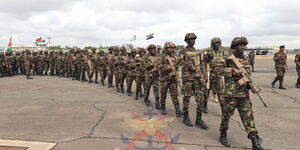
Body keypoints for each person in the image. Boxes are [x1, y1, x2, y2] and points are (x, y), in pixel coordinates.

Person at [216, 37, 264, 149]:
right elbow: (216, 70)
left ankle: (255, 142)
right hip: (231, 94)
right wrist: (231, 70)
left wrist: (250, 85)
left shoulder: (246, 59)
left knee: (249, 117)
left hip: (244, 95)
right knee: (226, 117)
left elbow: (246, 75)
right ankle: (223, 134)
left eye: (244, 45)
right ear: (234, 47)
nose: (242, 47)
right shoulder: (228, 58)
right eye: (240, 45)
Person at [178, 33, 208, 129]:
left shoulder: (197, 51)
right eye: (190, 39)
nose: (193, 41)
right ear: (186, 41)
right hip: (187, 78)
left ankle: (199, 119)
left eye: (194, 39)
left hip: (198, 78)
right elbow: (179, 62)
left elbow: (202, 63)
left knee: (201, 98)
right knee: (187, 97)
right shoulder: (182, 51)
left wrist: (204, 75)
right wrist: (188, 65)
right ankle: (185, 117)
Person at [159, 42, 184, 117]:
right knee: (163, 94)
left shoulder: (175, 56)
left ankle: (177, 110)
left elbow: (178, 64)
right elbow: (158, 65)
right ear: (166, 48)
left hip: (173, 78)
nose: (171, 49)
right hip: (165, 79)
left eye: (172, 48)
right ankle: (163, 107)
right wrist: (166, 67)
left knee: (174, 95)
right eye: (169, 48)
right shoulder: (162, 56)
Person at [204, 37, 225, 114]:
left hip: (219, 76)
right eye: (215, 43)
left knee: (221, 92)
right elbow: (204, 64)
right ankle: (205, 105)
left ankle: (223, 109)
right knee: (207, 91)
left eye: (218, 43)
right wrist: (205, 75)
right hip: (210, 75)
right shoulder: (209, 53)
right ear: (212, 44)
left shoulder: (221, 53)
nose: (217, 44)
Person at [143, 44, 161, 109]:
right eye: (151, 49)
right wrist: (151, 64)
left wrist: (157, 67)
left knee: (156, 88)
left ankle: (157, 102)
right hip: (148, 75)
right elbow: (144, 65)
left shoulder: (158, 56)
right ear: (149, 50)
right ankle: (146, 98)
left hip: (156, 75)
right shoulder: (146, 56)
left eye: (154, 48)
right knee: (147, 87)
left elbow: (161, 63)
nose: (153, 50)